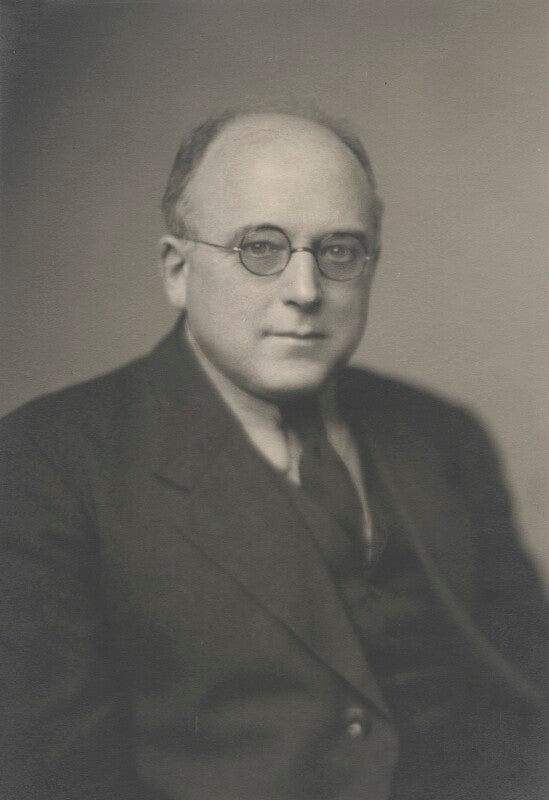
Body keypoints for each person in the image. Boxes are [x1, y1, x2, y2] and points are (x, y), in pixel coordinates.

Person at [1, 109, 547, 800]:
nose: (305, 291)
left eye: (339, 251)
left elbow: (527, 692)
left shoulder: (443, 435)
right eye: (260, 247)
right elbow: (57, 777)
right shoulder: (43, 465)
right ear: (176, 270)